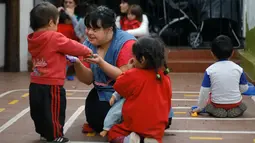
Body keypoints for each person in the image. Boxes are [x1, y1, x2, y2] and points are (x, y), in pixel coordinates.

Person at [28, 2, 92, 143]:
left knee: (38, 111)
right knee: (55, 112)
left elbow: (50, 54)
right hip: (52, 85)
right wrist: (88, 51)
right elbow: (72, 46)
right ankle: (56, 135)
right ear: (51, 22)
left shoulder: (32, 38)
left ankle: (44, 133)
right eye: (57, 22)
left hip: (35, 82)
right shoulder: (54, 37)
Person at [69, 6, 137, 133]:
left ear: (109, 29)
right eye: (88, 28)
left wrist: (101, 63)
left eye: (95, 29)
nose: (89, 32)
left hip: (127, 93)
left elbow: (126, 77)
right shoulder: (87, 44)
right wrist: (77, 63)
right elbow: (88, 79)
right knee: (97, 119)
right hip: (103, 92)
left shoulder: (126, 43)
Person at [106, 36, 172, 143]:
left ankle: (134, 139)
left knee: (114, 132)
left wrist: (128, 69)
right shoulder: (164, 77)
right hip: (157, 129)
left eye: (134, 56)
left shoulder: (134, 74)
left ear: (142, 59)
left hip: (136, 125)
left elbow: (119, 86)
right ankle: (149, 139)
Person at [192, 35, 249, 118]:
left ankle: (214, 110)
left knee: (209, 105)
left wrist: (200, 108)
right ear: (232, 52)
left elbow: (204, 91)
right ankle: (237, 109)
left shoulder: (210, 70)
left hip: (217, 104)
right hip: (235, 103)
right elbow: (244, 88)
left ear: (212, 53)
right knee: (243, 105)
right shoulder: (239, 69)